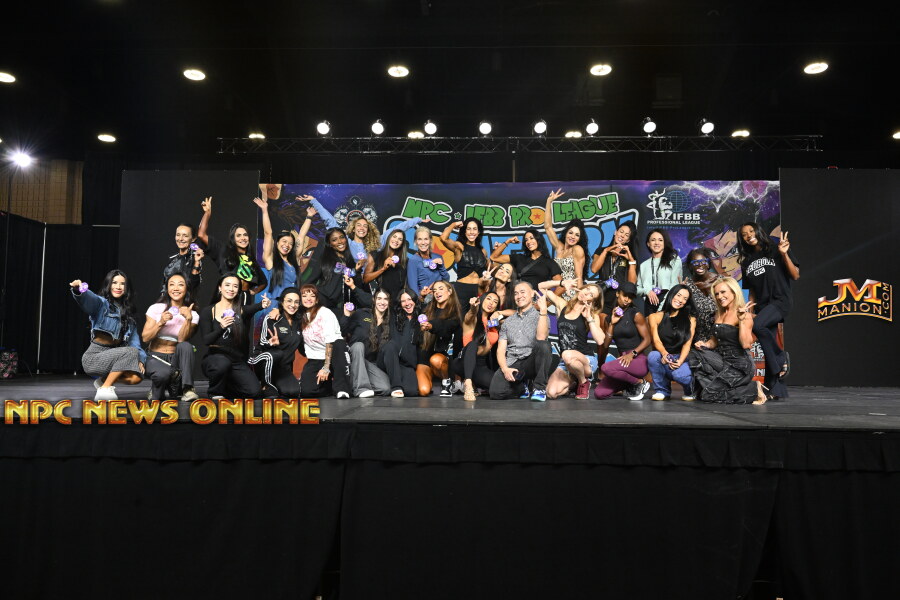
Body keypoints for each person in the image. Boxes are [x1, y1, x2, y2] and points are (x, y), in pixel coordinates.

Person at [738, 223, 799, 400]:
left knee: (759, 326)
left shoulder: (775, 249)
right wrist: (750, 310)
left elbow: (795, 275)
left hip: (780, 301)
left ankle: (781, 357)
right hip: (762, 306)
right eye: (744, 234)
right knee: (766, 346)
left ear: (758, 231)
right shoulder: (746, 262)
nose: (749, 235)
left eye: (751, 231)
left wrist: (784, 254)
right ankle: (777, 390)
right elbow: (752, 291)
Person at [690, 277, 770, 405]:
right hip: (722, 361)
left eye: (723, 292)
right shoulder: (718, 314)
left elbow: (746, 344)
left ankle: (754, 389)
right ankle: (727, 385)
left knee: (708, 395)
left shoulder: (744, 315)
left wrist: (742, 321)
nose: (719, 297)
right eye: (717, 294)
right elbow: (714, 341)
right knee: (694, 353)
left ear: (733, 292)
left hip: (740, 365)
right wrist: (705, 344)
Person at [70, 270, 146, 401]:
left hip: (115, 357)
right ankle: (105, 389)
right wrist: (80, 290)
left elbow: (135, 343)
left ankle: (103, 381)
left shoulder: (129, 317)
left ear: (126, 288)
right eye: (114, 283)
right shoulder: (102, 304)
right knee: (130, 352)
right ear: (108, 285)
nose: (118, 287)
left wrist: (141, 360)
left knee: (136, 378)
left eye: (122, 284)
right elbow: (90, 299)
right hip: (94, 357)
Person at [199, 274, 268, 399]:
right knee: (222, 364)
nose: (231, 289)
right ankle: (214, 392)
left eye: (235, 286)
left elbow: (256, 307)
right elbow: (206, 340)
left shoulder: (241, 310)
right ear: (220, 288)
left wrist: (264, 304)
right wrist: (221, 327)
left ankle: (226, 387)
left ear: (238, 290)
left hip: (236, 360)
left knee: (255, 392)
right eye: (227, 285)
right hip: (215, 358)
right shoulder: (208, 311)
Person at [537, 279, 606, 400]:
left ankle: (583, 381)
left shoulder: (592, 315)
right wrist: (562, 283)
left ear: (592, 301)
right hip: (566, 362)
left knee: (567, 355)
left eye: (591, 295)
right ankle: (574, 384)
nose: (586, 293)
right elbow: (541, 286)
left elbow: (600, 340)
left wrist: (589, 318)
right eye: (587, 289)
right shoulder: (563, 306)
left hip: (586, 361)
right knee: (551, 393)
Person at [196, 197, 267, 305]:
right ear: (233, 239)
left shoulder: (251, 260)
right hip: (226, 297)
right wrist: (207, 213)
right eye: (238, 235)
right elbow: (201, 234)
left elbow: (263, 282)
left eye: (245, 235)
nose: (243, 238)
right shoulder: (223, 250)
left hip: (244, 299)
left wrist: (253, 291)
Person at [488, 281, 552, 401]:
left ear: (532, 294)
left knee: (544, 345)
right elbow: (501, 350)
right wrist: (505, 369)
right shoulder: (508, 322)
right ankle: (522, 387)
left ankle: (539, 388)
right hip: (513, 362)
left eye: (522, 292)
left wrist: (543, 311)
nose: (519, 296)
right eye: (516, 293)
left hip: (531, 362)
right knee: (495, 393)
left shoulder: (541, 316)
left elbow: (541, 338)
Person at [142, 273, 199, 401]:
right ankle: (159, 387)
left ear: (186, 289)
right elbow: (145, 338)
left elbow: (182, 340)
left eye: (181, 285)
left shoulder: (193, 314)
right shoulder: (156, 308)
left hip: (176, 359)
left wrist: (188, 319)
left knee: (186, 346)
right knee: (160, 386)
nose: (176, 288)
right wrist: (161, 322)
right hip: (156, 356)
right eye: (172, 284)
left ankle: (188, 389)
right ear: (167, 288)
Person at [593, 282, 653, 400]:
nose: (627, 299)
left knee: (606, 368)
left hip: (637, 360)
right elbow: (606, 345)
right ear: (617, 294)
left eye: (630, 297)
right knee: (599, 393)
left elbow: (647, 340)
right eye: (624, 295)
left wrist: (632, 354)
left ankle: (639, 382)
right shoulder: (609, 318)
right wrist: (612, 323)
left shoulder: (636, 314)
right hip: (623, 362)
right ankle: (630, 383)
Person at [297, 284, 352, 398]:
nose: (308, 299)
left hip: (335, 355)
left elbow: (330, 342)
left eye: (312, 296)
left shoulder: (325, 313)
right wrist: (276, 310)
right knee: (307, 391)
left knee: (339, 344)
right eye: (304, 296)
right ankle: (328, 387)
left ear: (317, 300)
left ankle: (342, 389)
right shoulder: (300, 315)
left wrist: (326, 367)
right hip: (316, 358)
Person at [255, 196, 315, 301]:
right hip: (276, 305)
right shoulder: (270, 260)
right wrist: (264, 210)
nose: (287, 245)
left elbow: (301, 236)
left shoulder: (294, 260)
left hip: (293, 305)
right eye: (284, 241)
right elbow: (268, 233)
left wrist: (309, 216)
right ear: (277, 243)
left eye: (290, 243)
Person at [248, 288, 304, 398]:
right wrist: (270, 343)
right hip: (263, 360)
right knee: (276, 354)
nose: (293, 305)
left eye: (296, 302)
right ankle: (266, 385)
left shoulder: (299, 322)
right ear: (282, 302)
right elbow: (262, 342)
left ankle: (275, 383)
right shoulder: (271, 318)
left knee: (292, 392)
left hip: (282, 368)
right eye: (289, 301)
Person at [646, 284, 697, 401]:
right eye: (678, 295)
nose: (680, 300)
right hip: (664, 355)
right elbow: (656, 340)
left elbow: (687, 344)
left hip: (682, 356)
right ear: (671, 294)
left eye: (685, 298)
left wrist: (680, 361)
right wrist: (665, 354)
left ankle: (690, 390)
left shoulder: (691, 319)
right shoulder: (655, 317)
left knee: (680, 376)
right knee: (653, 355)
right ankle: (662, 390)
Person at [340, 288, 393, 398]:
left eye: (385, 299)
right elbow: (342, 332)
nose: (382, 302)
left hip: (369, 363)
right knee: (359, 346)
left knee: (385, 388)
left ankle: (354, 383)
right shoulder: (361, 314)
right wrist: (346, 315)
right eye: (379, 298)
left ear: (389, 302)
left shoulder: (389, 322)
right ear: (374, 300)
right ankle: (360, 389)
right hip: (353, 356)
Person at [304, 227, 372, 309]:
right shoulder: (325, 259)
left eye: (342, 237)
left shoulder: (349, 261)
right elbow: (310, 281)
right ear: (329, 243)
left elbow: (356, 285)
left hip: (338, 305)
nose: (340, 241)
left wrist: (357, 270)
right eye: (334, 240)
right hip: (322, 301)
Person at [452, 292, 502, 402]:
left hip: (480, 365)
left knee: (502, 387)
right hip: (464, 361)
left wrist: (500, 312)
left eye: (495, 302)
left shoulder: (494, 323)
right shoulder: (473, 319)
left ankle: (476, 383)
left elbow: (514, 313)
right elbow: (471, 314)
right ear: (482, 300)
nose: (491, 303)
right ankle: (468, 383)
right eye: (488, 299)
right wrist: (473, 308)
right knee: (473, 344)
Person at [417, 280, 463, 396]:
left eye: (441, 289)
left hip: (443, 358)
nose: (437, 292)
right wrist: (421, 298)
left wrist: (431, 326)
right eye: (435, 290)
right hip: (425, 357)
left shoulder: (455, 313)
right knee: (423, 390)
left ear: (450, 291)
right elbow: (415, 313)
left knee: (436, 360)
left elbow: (445, 326)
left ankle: (447, 382)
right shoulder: (428, 309)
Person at [377, 289, 423, 398]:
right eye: (403, 301)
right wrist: (354, 287)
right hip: (388, 358)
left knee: (411, 391)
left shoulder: (421, 319)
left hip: (406, 365)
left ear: (415, 300)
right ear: (400, 304)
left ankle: (389, 382)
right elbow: (373, 302)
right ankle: (396, 386)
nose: (407, 303)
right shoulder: (393, 315)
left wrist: (423, 297)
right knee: (391, 345)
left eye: (409, 299)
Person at [543, 189, 588, 300]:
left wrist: (579, 299)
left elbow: (579, 276)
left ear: (579, 239)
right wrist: (549, 202)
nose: (573, 237)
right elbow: (548, 227)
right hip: (557, 292)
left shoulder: (577, 249)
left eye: (577, 235)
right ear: (566, 233)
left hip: (570, 293)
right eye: (571, 233)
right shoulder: (559, 248)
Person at [590, 221, 639, 316]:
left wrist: (631, 260)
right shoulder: (601, 250)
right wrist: (606, 251)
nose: (622, 235)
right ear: (615, 232)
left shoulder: (629, 256)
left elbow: (631, 283)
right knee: (601, 320)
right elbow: (594, 269)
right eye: (621, 232)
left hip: (619, 299)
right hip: (603, 296)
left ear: (628, 240)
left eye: (626, 235)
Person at [440, 218, 489, 312]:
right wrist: (454, 224)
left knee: (477, 319)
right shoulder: (460, 246)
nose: (471, 232)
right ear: (465, 232)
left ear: (478, 232)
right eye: (468, 229)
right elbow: (443, 238)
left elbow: (490, 269)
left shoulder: (483, 251)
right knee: (459, 318)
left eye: (474, 229)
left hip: (478, 290)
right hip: (462, 289)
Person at [489, 228, 562, 290]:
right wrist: (508, 241)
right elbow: (493, 257)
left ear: (539, 240)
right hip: (517, 297)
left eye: (531, 238)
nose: (528, 242)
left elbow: (561, 286)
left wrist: (547, 301)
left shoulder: (549, 262)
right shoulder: (519, 258)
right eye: (526, 240)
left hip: (536, 299)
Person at [637, 229, 682, 313]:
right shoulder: (643, 265)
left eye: (660, 240)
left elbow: (674, 286)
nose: (657, 243)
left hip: (668, 303)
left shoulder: (674, 260)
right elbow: (637, 289)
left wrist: (661, 308)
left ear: (665, 243)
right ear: (648, 244)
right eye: (653, 240)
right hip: (649, 305)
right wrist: (647, 291)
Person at [681, 248, 718, 344]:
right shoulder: (688, 286)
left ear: (708, 263)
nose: (700, 265)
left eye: (703, 261)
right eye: (695, 262)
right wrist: (681, 291)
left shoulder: (720, 281)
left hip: (719, 337)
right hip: (698, 339)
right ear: (690, 266)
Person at [161, 222, 204, 295]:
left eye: (185, 236)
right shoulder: (173, 259)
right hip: (166, 300)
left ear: (193, 239)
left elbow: (193, 286)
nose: (180, 239)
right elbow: (164, 285)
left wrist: (197, 262)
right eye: (178, 235)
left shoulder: (194, 259)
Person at [407, 225, 450, 296]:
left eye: (426, 239)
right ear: (415, 241)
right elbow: (413, 288)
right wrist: (422, 296)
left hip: (441, 296)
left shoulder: (438, 257)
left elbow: (446, 280)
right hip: (426, 298)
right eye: (420, 239)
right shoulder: (413, 261)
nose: (423, 242)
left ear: (430, 240)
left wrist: (441, 266)